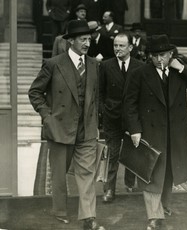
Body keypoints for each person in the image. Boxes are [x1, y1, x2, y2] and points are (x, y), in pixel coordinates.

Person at [123, 34, 187, 230]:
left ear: (171, 54)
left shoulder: (179, 71)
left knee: (170, 170)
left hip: (176, 132)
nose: (160, 60)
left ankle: (165, 205)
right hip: (150, 132)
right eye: (155, 56)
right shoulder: (139, 73)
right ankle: (154, 216)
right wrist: (134, 129)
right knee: (151, 172)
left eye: (164, 55)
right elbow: (129, 104)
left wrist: (182, 68)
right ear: (149, 56)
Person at [28, 20, 105, 230]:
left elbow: (97, 97)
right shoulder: (53, 64)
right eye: (82, 39)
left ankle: (88, 217)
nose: (87, 43)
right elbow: (35, 92)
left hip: (86, 129)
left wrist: (97, 122)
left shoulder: (94, 65)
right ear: (71, 41)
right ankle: (60, 210)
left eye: (89, 39)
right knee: (59, 174)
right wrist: (47, 116)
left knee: (87, 174)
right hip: (60, 128)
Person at [99, 32, 144, 203]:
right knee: (112, 154)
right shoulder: (105, 66)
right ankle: (109, 189)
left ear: (130, 48)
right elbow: (100, 93)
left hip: (133, 118)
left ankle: (132, 185)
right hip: (112, 118)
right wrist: (104, 111)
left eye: (121, 46)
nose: (117, 49)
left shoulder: (140, 66)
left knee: (135, 152)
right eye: (115, 45)